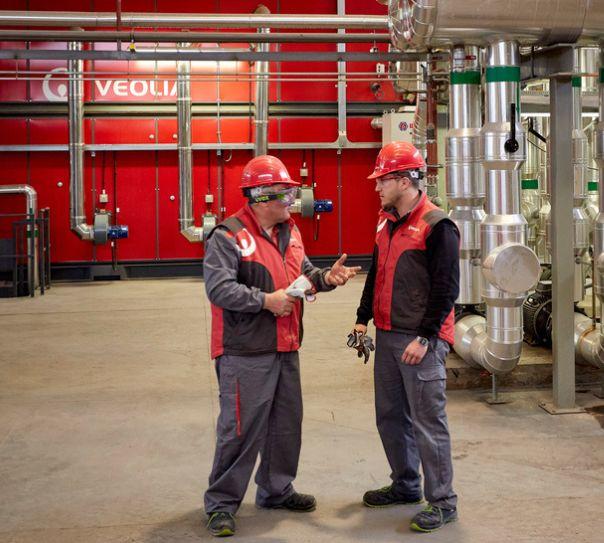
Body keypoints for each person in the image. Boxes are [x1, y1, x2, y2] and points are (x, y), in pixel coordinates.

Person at [203, 154, 360, 537]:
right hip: (245, 351)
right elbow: (219, 288)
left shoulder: (291, 232)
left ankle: (276, 490)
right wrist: (265, 301)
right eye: (283, 195)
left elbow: (303, 275)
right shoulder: (227, 236)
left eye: (290, 194)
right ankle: (221, 504)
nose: (290, 202)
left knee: (285, 426)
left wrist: (327, 277)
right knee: (240, 430)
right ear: (259, 196)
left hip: (287, 345)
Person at [353, 141, 460, 533]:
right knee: (391, 417)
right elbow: (376, 271)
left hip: (420, 341)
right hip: (387, 334)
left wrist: (427, 337)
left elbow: (447, 288)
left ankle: (444, 502)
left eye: (382, 179)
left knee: (427, 422)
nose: (377, 187)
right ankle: (406, 485)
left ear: (403, 179)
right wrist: (362, 318)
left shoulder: (437, 225)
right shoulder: (386, 221)